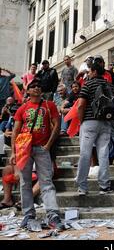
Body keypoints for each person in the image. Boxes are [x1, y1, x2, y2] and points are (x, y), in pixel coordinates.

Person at [10, 78, 64, 230]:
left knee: (46, 182)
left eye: (38, 86)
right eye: (33, 86)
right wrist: (14, 152)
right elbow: (15, 131)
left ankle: (52, 214)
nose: (36, 88)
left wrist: (48, 145)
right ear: (27, 91)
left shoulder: (49, 105)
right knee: (25, 183)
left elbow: (56, 125)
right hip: (24, 149)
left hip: (42, 148)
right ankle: (28, 215)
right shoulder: (22, 108)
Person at [76, 63, 114, 195]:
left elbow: (80, 105)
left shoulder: (88, 84)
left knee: (85, 154)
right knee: (103, 154)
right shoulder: (109, 85)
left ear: (93, 71)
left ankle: (82, 187)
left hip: (89, 122)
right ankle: (104, 186)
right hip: (106, 122)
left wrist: (81, 121)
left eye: (89, 71)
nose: (88, 73)